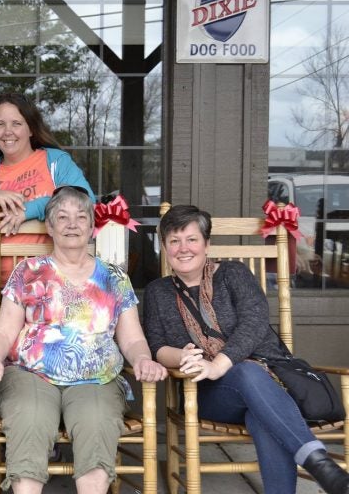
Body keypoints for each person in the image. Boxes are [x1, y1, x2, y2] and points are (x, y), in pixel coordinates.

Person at [0, 186, 167, 494]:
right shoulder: (28, 271)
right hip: (30, 374)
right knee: (30, 417)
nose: (71, 224)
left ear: (91, 226)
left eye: (80, 217)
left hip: (96, 379)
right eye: (62, 217)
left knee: (95, 420)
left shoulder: (114, 277)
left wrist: (142, 359)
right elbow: (4, 331)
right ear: (50, 226)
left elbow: (132, 338)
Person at [143, 204, 349, 494]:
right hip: (209, 394)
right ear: (164, 247)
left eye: (192, 239)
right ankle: (318, 461)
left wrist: (219, 363)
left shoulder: (233, 274)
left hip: (271, 381)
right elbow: (157, 346)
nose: (183, 248)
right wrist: (181, 356)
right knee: (244, 375)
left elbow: (255, 323)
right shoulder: (158, 291)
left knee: (259, 409)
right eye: (174, 241)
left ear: (207, 244)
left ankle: (308, 468)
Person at [0, 93, 94, 350]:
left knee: (44, 362)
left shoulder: (55, 162)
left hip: (49, 286)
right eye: (0, 124)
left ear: (30, 127)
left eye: (16, 123)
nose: (8, 131)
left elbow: (84, 201)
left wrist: (29, 209)